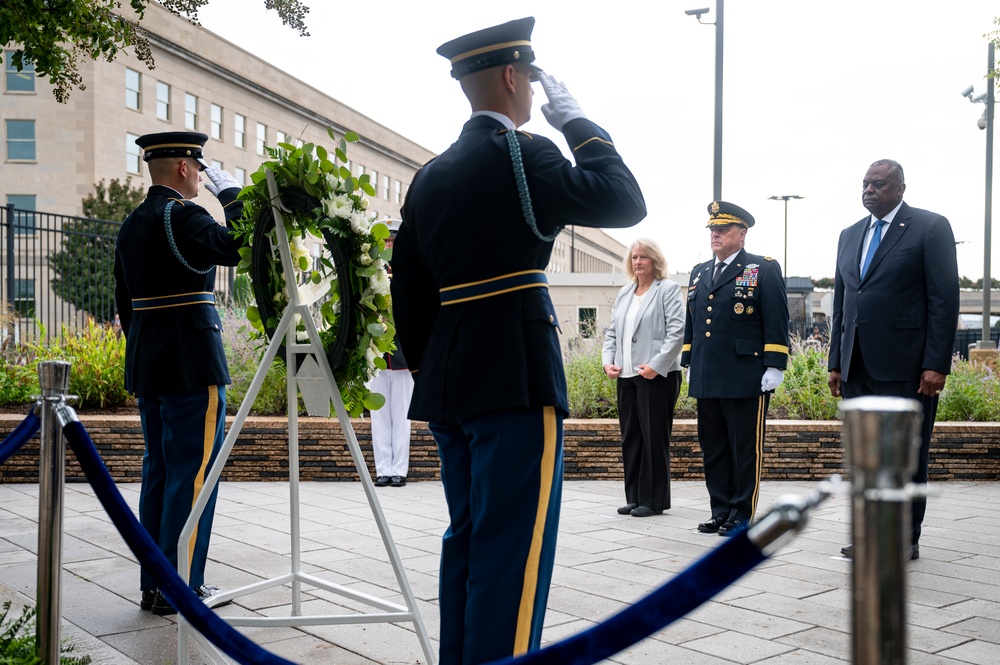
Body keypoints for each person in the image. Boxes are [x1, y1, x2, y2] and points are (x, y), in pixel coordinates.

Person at [390, 17, 645, 665]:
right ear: (511, 75)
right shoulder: (526, 155)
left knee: (469, 539)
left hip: (447, 380)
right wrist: (580, 126)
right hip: (515, 370)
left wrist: (430, 366)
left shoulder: (430, 175)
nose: (533, 93)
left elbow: (409, 291)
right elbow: (624, 200)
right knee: (515, 550)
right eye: (529, 80)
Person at [114, 131, 244, 615]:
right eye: (200, 169)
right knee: (192, 477)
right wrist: (230, 194)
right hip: (192, 360)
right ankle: (182, 585)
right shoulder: (183, 214)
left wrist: (147, 349)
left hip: (150, 361)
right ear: (187, 169)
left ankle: (154, 583)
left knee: (160, 471)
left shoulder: (131, 223)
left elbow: (125, 305)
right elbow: (235, 245)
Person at [828, 159, 960, 561]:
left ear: (901, 188)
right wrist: (835, 361)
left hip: (907, 368)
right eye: (865, 184)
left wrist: (936, 363)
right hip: (857, 367)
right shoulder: (849, 235)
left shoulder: (930, 227)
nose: (869, 190)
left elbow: (943, 299)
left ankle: (905, 538)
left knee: (905, 456)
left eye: (879, 184)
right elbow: (842, 302)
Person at [681, 201, 789, 537]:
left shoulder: (762, 268)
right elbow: (693, 323)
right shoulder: (699, 271)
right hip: (706, 373)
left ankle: (741, 514)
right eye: (712, 229)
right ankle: (720, 510)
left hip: (746, 375)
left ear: (741, 235)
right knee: (714, 448)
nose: (715, 234)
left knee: (744, 449)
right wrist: (688, 359)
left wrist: (775, 365)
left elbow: (776, 320)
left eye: (723, 229)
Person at [602, 238, 684, 518]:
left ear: (655, 261)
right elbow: (612, 333)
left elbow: (677, 333)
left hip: (656, 376)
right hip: (626, 375)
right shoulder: (625, 293)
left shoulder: (668, 290)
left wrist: (656, 365)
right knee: (631, 438)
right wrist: (608, 362)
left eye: (644, 257)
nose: (638, 262)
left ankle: (654, 500)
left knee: (653, 438)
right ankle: (635, 497)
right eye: (634, 257)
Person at [370, 223, 413, 488]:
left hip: (402, 355)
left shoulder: (409, 274)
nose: (388, 246)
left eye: (392, 241)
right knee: (380, 417)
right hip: (376, 354)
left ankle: (399, 470)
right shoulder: (371, 274)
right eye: (385, 241)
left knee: (402, 416)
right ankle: (383, 469)